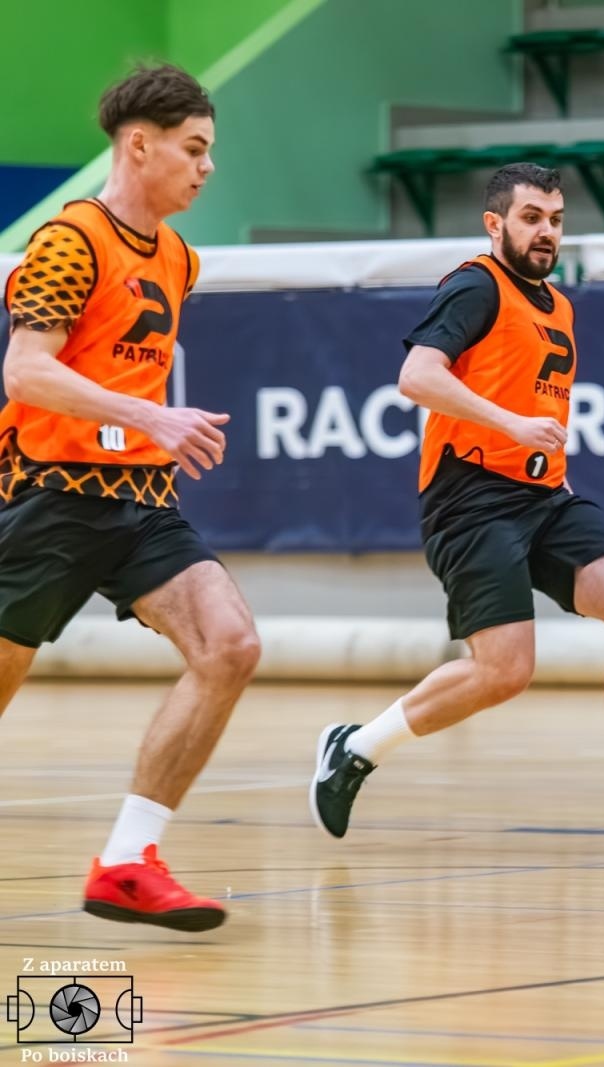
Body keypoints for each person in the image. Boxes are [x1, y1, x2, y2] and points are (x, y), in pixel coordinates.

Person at [309, 163, 604, 843]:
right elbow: (416, 376)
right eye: (531, 218)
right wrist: (510, 424)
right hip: (470, 499)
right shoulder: (476, 285)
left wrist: (542, 459)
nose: (546, 231)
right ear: (495, 224)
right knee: (504, 672)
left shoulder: (559, 305)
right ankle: (355, 747)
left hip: (545, 495)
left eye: (555, 219)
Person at [1, 65, 258, 931]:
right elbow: (26, 371)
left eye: (210, 151)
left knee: (230, 644)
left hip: (141, 502)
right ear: (139, 145)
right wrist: (152, 415)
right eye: (194, 148)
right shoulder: (70, 240)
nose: (207, 167)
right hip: (47, 494)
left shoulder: (180, 258)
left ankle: (126, 862)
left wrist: (152, 431)